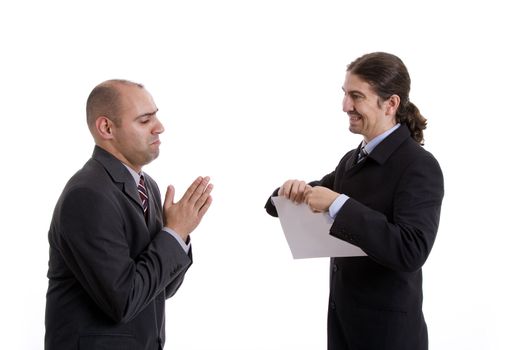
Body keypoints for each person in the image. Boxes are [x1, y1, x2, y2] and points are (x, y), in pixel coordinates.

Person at [265, 52, 444, 350]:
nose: (345, 106)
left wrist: (339, 205)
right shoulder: (352, 160)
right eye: (345, 94)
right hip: (345, 331)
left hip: (389, 338)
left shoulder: (419, 165)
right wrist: (286, 192)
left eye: (356, 96)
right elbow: (295, 201)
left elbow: (412, 250)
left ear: (391, 104)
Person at [45, 79, 213, 350]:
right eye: (145, 120)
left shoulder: (147, 186)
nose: (160, 127)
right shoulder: (87, 195)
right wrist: (174, 233)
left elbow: (160, 289)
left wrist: (177, 235)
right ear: (106, 128)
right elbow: (123, 301)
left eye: (156, 116)